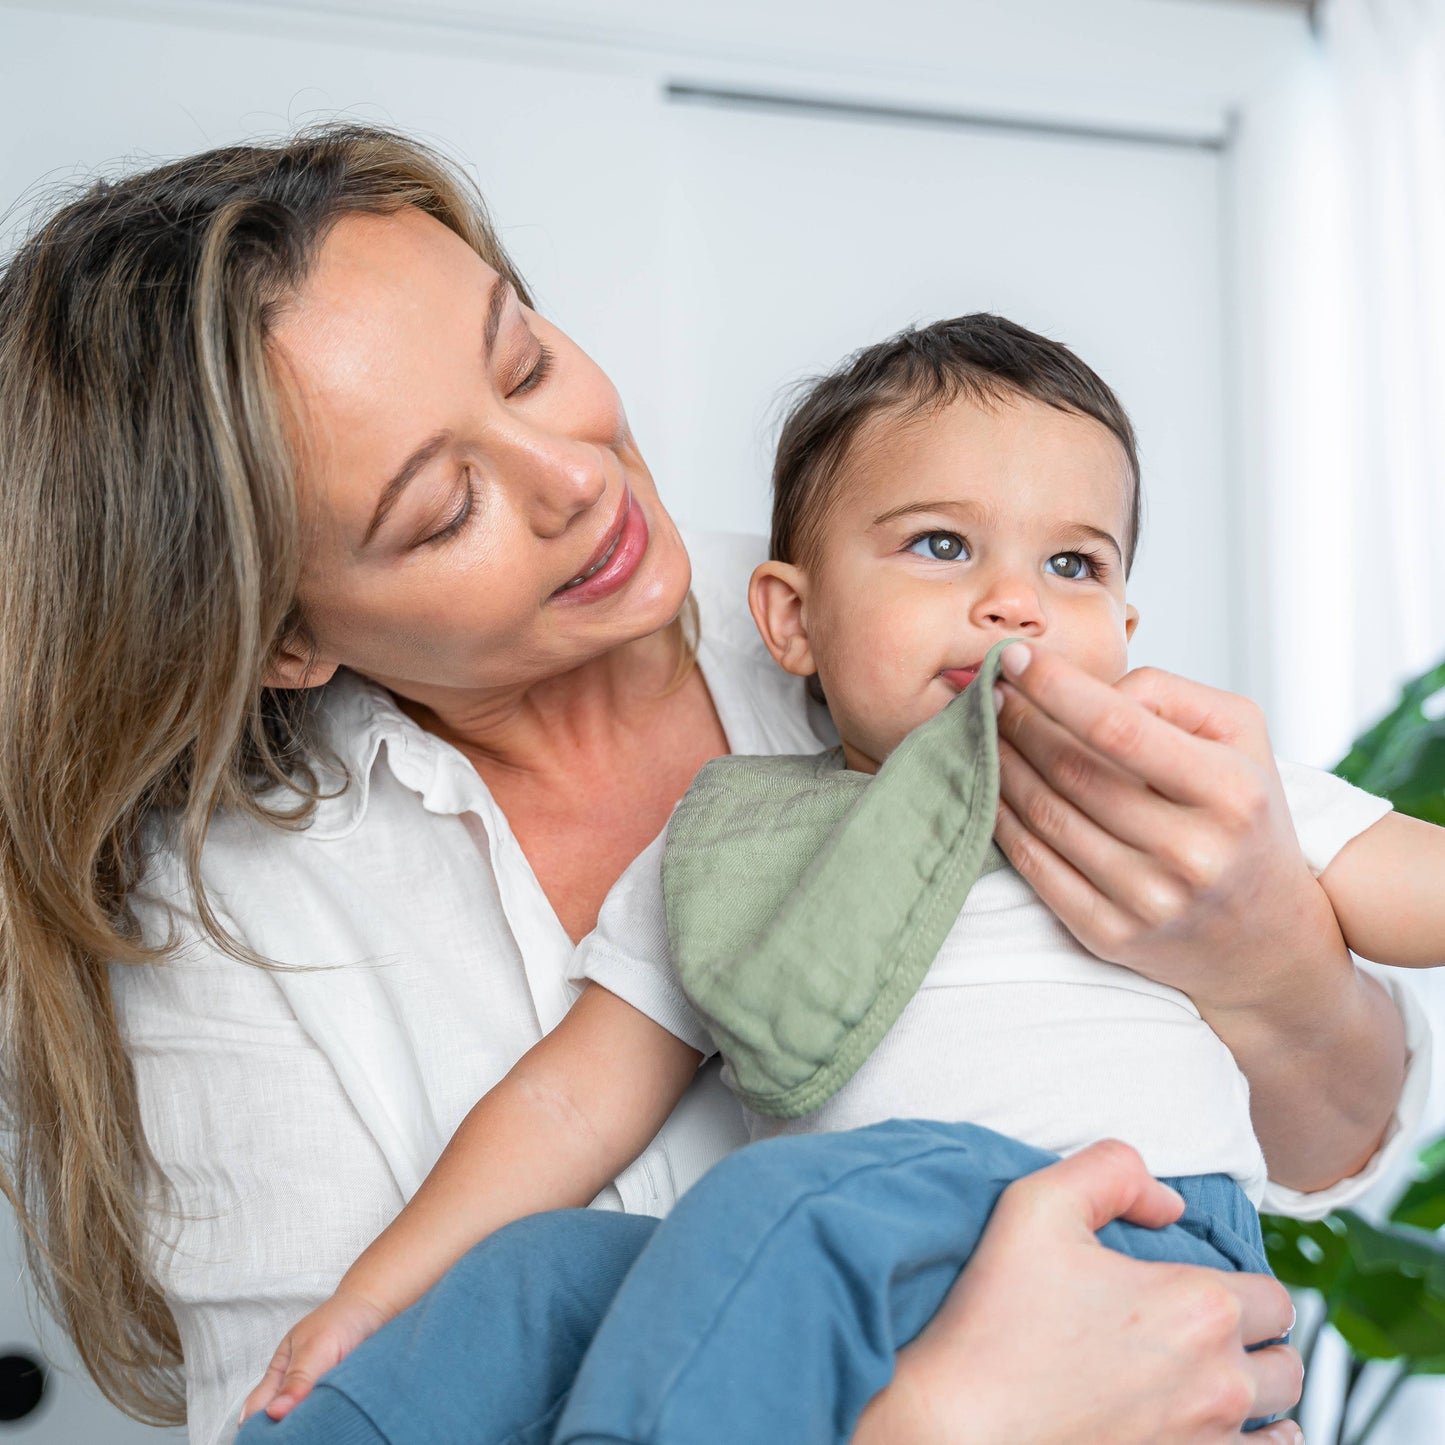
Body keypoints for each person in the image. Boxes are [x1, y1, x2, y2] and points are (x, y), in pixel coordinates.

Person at [0, 125, 1420, 1445]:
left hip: (1115, 1239)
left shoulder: (1051, 696)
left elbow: (1342, 1083)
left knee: (771, 1206)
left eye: (523, 361)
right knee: (531, 1275)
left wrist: (1269, 961)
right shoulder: (709, 836)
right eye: (444, 505)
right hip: (902, 1293)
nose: (572, 475)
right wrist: (362, 1314)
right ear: (285, 635)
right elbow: (566, 1109)